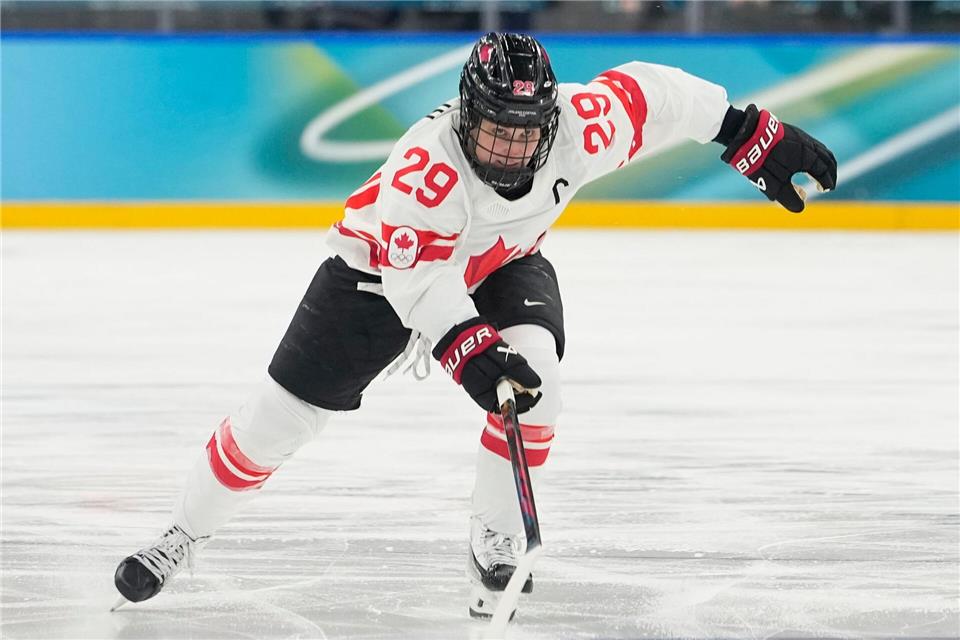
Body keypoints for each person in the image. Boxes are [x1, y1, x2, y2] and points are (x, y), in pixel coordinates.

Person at [113, 32, 837, 618]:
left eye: (526, 133)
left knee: (537, 382)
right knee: (278, 422)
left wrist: (750, 132)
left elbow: (658, 94)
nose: (511, 151)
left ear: (551, 121)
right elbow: (416, 280)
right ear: (465, 114)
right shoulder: (424, 172)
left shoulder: (584, 129)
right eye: (494, 130)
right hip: (378, 274)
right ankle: (179, 534)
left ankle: (493, 528)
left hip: (501, 264)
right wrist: (468, 350)